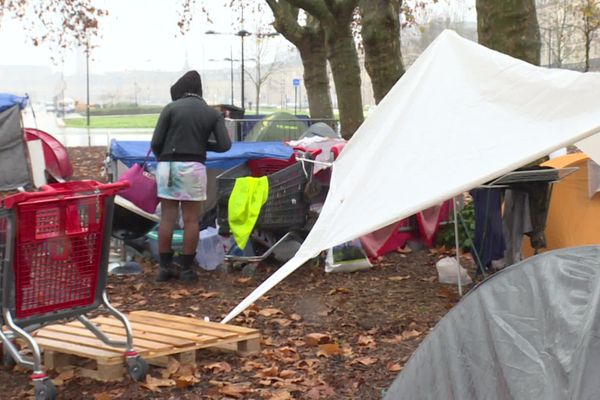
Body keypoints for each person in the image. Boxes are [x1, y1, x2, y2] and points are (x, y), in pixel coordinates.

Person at [151, 70, 232, 282]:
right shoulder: (211, 113)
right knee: (191, 220)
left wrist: (165, 159)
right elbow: (224, 145)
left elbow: (156, 142)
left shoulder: (171, 108)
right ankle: (187, 270)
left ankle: (164, 269)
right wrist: (201, 144)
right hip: (194, 167)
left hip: (168, 165)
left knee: (167, 217)